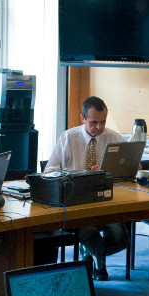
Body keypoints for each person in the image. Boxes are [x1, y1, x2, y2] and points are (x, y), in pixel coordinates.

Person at [45, 96, 127, 282]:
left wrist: (109, 169)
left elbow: (132, 167)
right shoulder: (68, 138)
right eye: (94, 122)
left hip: (106, 199)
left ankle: (90, 252)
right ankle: (99, 261)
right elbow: (49, 171)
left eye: (103, 122)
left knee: (122, 239)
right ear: (82, 119)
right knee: (88, 232)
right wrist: (75, 176)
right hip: (77, 200)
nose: (99, 127)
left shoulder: (113, 138)